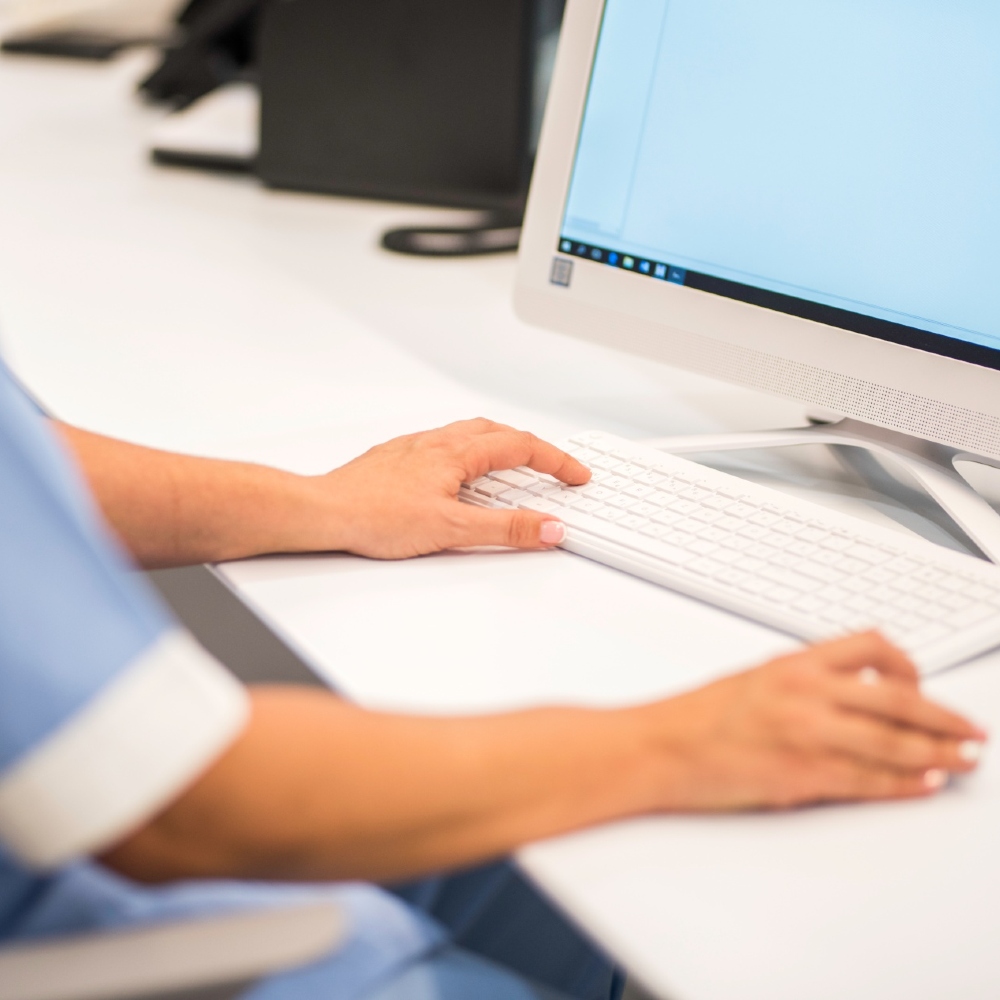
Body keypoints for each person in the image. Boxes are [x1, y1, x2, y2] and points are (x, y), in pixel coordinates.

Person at [0, 355, 985, 1000]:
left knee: (559, 867)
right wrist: (680, 739)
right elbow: (184, 810)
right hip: (106, 947)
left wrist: (321, 505)